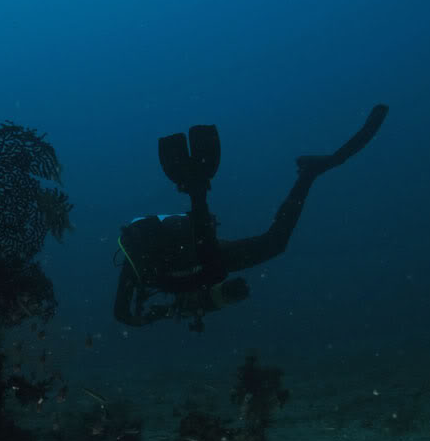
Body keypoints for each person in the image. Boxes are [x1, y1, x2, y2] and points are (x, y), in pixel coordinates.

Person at [114, 104, 389, 331]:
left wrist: (150, 316)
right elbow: (127, 311)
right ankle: (307, 173)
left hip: (201, 251)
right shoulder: (144, 267)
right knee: (272, 243)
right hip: (201, 247)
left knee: (260, 249)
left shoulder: (144, 270)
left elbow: (126, 311)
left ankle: (200, 188)